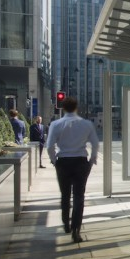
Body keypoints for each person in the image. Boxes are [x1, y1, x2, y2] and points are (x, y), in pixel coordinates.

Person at [46, 96, 98, 242]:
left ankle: (66, 223)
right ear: (77, 108)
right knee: (79, 196)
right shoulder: (86, 124)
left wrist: (54, 161)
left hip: (63, 161)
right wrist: (91, 161)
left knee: (65, 195)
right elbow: (95, 144)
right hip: (81, 161)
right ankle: (76, 230)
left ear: (63, 108)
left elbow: (49, 146)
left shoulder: (56, 124)